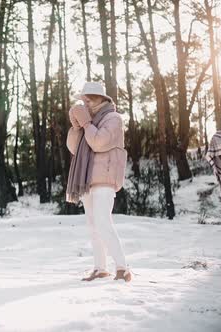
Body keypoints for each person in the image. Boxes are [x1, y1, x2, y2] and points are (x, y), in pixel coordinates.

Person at [66, 82, 131, 282]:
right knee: (93, 225)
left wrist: (86, 124)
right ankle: (100, 268)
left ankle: (123, 268)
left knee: (103, 222)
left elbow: (99, 142)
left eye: (88, 100)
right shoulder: (89, 122)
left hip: (104, 178)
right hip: (87, 179)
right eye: (82, 100)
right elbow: (73, 148)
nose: (84, 104)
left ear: (100, 99)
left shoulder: (113, 119)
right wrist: (76, 126)